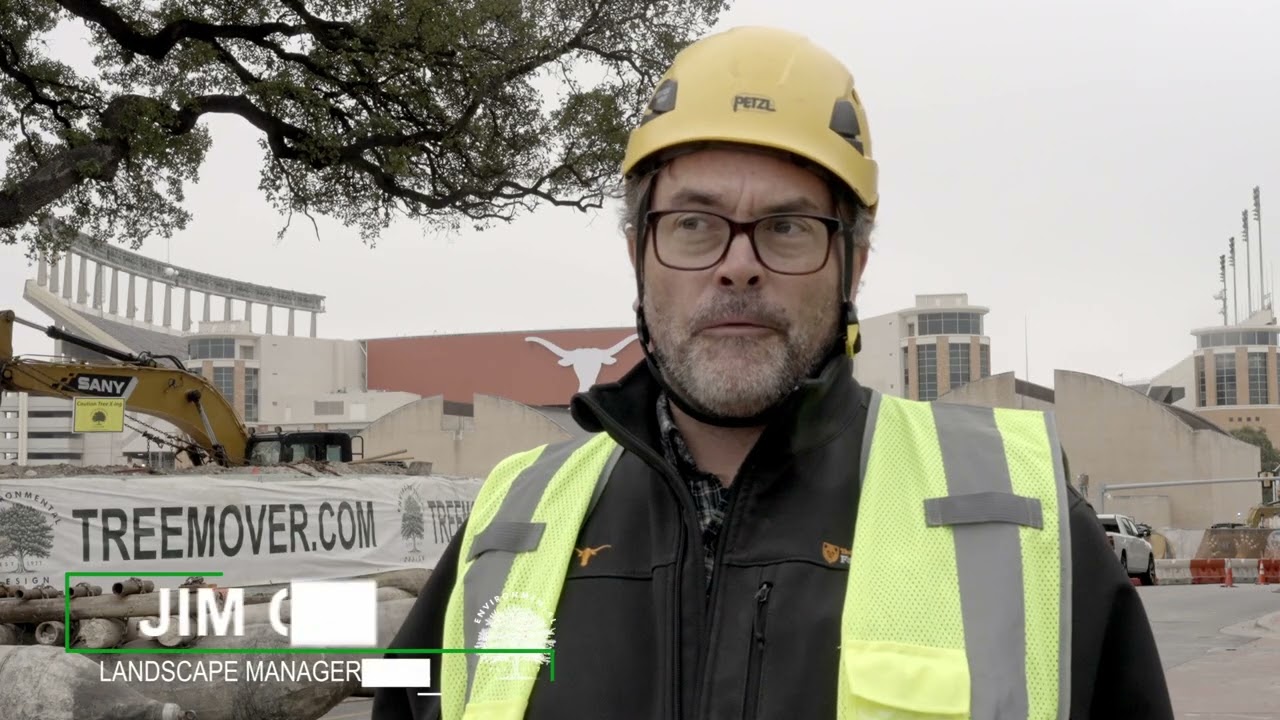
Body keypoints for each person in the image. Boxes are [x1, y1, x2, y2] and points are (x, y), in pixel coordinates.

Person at [372, 25, 1175, 720]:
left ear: (852, 264)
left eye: (787, 228)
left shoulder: (1016, 519)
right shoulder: (509, 531)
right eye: (695, 224)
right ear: (638, 253)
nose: (738, 266)